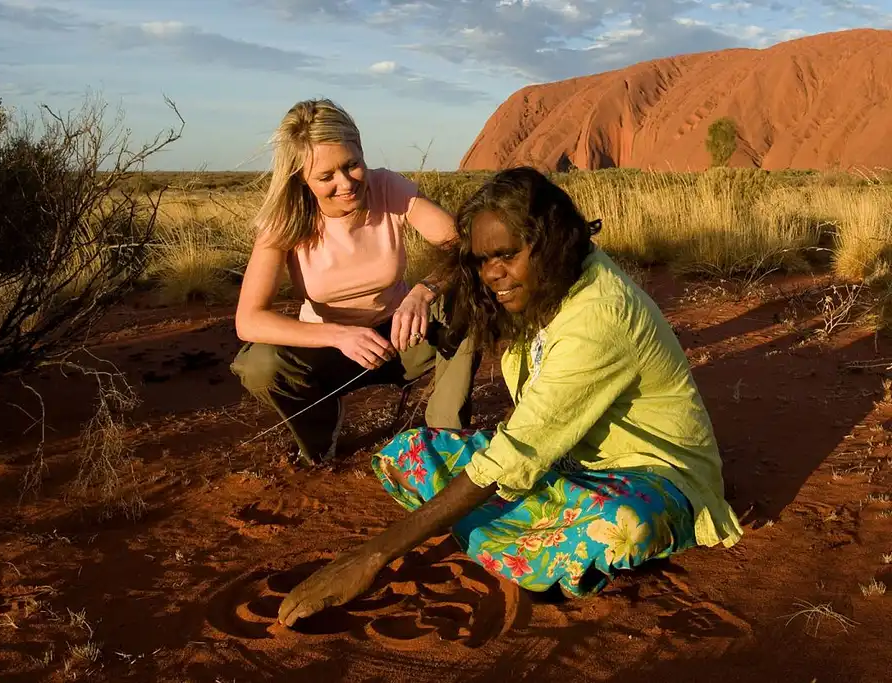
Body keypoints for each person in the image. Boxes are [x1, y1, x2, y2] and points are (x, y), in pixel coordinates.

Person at [277, 166, 744, 625]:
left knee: (622, 525)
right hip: (565, 460)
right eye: (482, 260)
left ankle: (506, 530)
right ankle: (519, 535)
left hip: (648, 471)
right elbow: (523, 441)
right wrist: (430, 297)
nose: (493, 274)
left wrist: (371, 556)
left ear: (550, 243)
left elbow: (518, 449)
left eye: (506, 255)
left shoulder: (600, 315)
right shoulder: (542, 286)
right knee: (410, 452)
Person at [231, 98, 479, 466]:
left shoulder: (388, 188)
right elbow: (249, 320)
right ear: (301, 176)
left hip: (400, 336)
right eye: (326, 176)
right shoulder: (285, 219)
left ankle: (443, 440)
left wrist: (422, 292)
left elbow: (462, 247)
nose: (346, 183)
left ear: (362, 152)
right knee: (260, 364)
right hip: (329, 352)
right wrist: (338, 335)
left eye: (352, 165)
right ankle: (321, 433)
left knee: (469, 299)